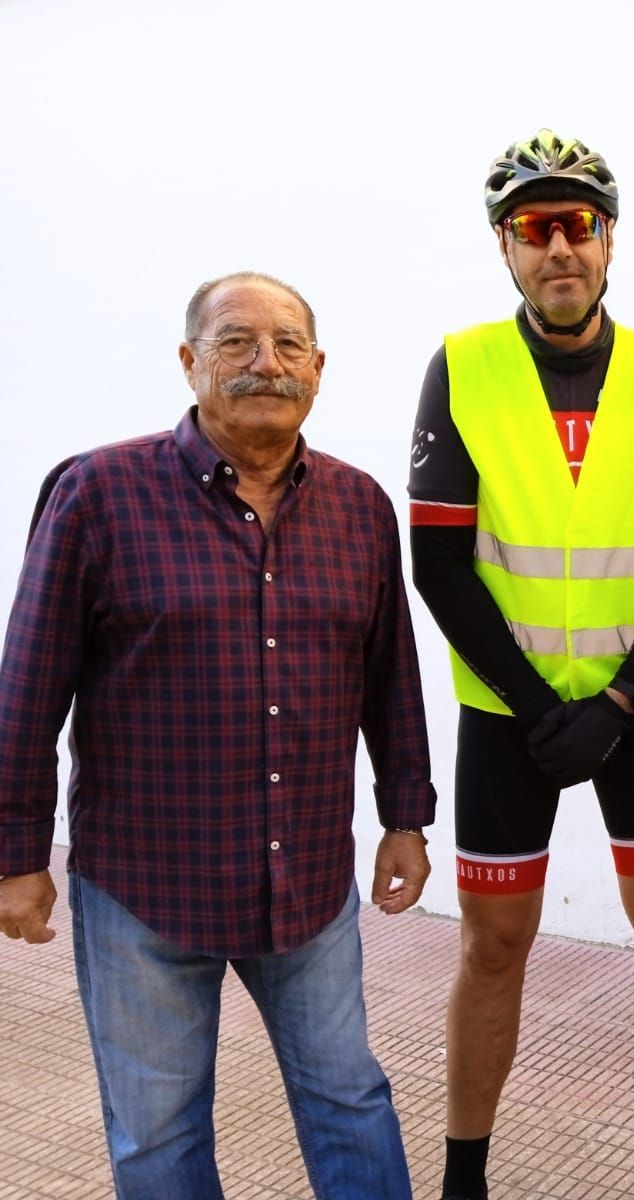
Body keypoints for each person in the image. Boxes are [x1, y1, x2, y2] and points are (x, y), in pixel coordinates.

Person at [0, 271, 434, 1199]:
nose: (263, 363)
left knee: (349, 1097)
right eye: (236, 342)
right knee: (157, 1134)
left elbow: (391, 674)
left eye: (286, 345)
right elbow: (28, 691)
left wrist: (406, 815)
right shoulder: (97, 494)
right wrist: (17, 853)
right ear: (189, 361)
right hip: (145, 889)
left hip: (307, 884)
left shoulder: (359, 508)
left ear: (319, 368)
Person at [407, 129, 634, 1200]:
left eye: (578, 224)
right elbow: (438, 563)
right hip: (506, 718)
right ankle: (463, 1181)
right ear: (505, 249)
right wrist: (538, 707)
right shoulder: (463, 366)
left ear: (610, 240)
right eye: (535, 227)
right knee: (494, 946)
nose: (558, 247)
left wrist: (617, 700)